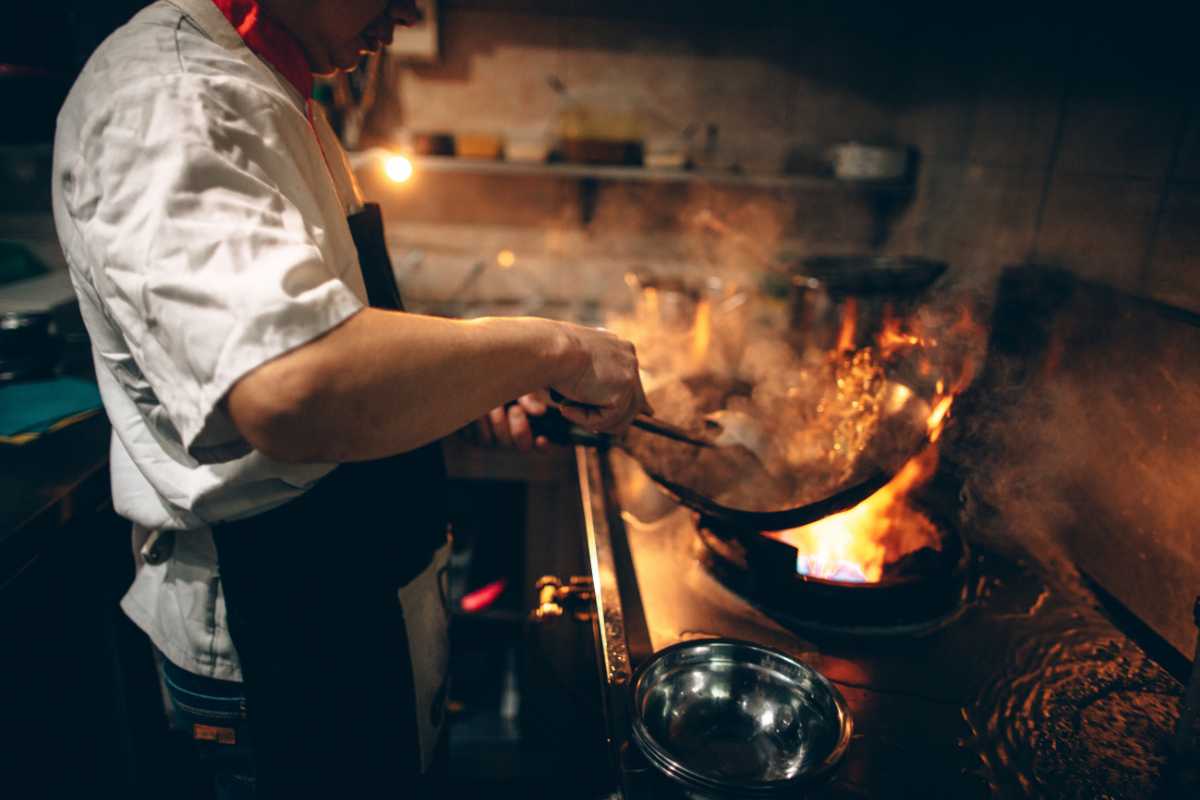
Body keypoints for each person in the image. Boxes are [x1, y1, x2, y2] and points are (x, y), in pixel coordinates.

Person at [51, 1, 649, 797]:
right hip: (277, 633)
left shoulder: (268, 85)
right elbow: (294, 387)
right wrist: (553, 346)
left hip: (346, 599)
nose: (409, 11)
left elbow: (333, 345)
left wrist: (473, 384)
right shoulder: (174, 95)